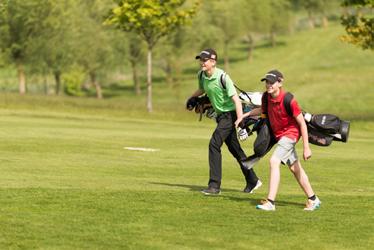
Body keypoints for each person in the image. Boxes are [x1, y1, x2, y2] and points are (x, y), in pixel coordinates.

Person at [186, 48, 262, 195]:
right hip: (221, 116)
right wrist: (191, 98)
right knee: (235, 150)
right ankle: (252, 179)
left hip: (231, 115)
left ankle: (214, 186)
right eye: (201, 59)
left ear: (213, 62)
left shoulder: (223, 77)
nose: (202, 62)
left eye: (205, 60)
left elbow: (236, 101)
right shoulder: (201, 75)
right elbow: (201, 89)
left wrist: (240, 122)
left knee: (214, 144)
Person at [242, 69, 321, 211]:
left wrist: (306, 147)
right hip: (279, 136)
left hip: (291, 134)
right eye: (267, 82)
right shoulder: (266, 97)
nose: (268, 85)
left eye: (272, 82)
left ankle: (271, 202)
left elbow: (302, 123)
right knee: (295, 168)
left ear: (280, 83)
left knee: (274, 161)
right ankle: (313, 199)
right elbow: (262, 110)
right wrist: (245, 115)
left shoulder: (289, 100)